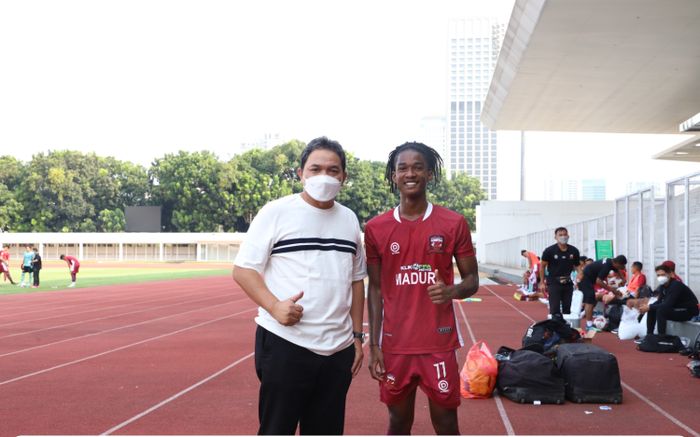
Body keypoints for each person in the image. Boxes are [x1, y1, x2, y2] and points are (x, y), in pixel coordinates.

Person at [232, 137, 366, 435]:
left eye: (333, 170)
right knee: (276, 429)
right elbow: (243, 270)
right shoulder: (276, 211)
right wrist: (274, 306)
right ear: (300, 173)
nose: (324, 176)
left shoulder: (349, 219)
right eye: (315, 168)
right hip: (286, 343)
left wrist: (356, 336)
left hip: (338, 349)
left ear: (344, 176)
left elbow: (357, 280)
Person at [365, 142, 479, 435]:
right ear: (393, 176)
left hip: (438, 344)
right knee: (399, 423)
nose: (410, 173)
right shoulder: (376, 228)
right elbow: (375, 289)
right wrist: (375, 346)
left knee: (446, 424)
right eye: (402, 168)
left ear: (429, 173)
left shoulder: (453, 223)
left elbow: (472, 281)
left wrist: (451, 292)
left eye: (418, 167)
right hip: (395, 346)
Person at [638, 264, 699, 335]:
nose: (660, 277)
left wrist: (649, 307)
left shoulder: (676, 285)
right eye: (658, 275)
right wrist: (648, 307)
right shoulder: (662, 286)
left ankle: (661, 338)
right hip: (677, 309)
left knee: (660, 310)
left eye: (663, 275)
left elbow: (667, 304)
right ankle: (649, 336)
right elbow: (659, 301)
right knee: (652, 308)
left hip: (689, 312)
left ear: (670, 274)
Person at [538, 227, 581, 320]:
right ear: (555, 237)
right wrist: (541, 282)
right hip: (553, 282)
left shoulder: (574, 251)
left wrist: (580, 274)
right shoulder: (549, 251)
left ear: (568, 236)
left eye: (565, 235)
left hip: (567, 282)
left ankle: (566, 329)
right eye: (560, 235)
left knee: (567, 308)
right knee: (555, 307)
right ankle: (554, 328)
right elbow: (542, 266)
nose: (563, 237)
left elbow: (577, 266)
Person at [579, 255, 627, 331]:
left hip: (589, 279)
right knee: (590, 302)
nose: (623, 267)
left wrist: (623, 279)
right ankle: (589, 325)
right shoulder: (607, 267)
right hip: (585, 279)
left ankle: (586, 317)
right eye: (622, 265)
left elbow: (617, 270)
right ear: (617, 263)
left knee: (592, 300)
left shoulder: (611, 261)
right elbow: (599, 281)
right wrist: (612, 290)